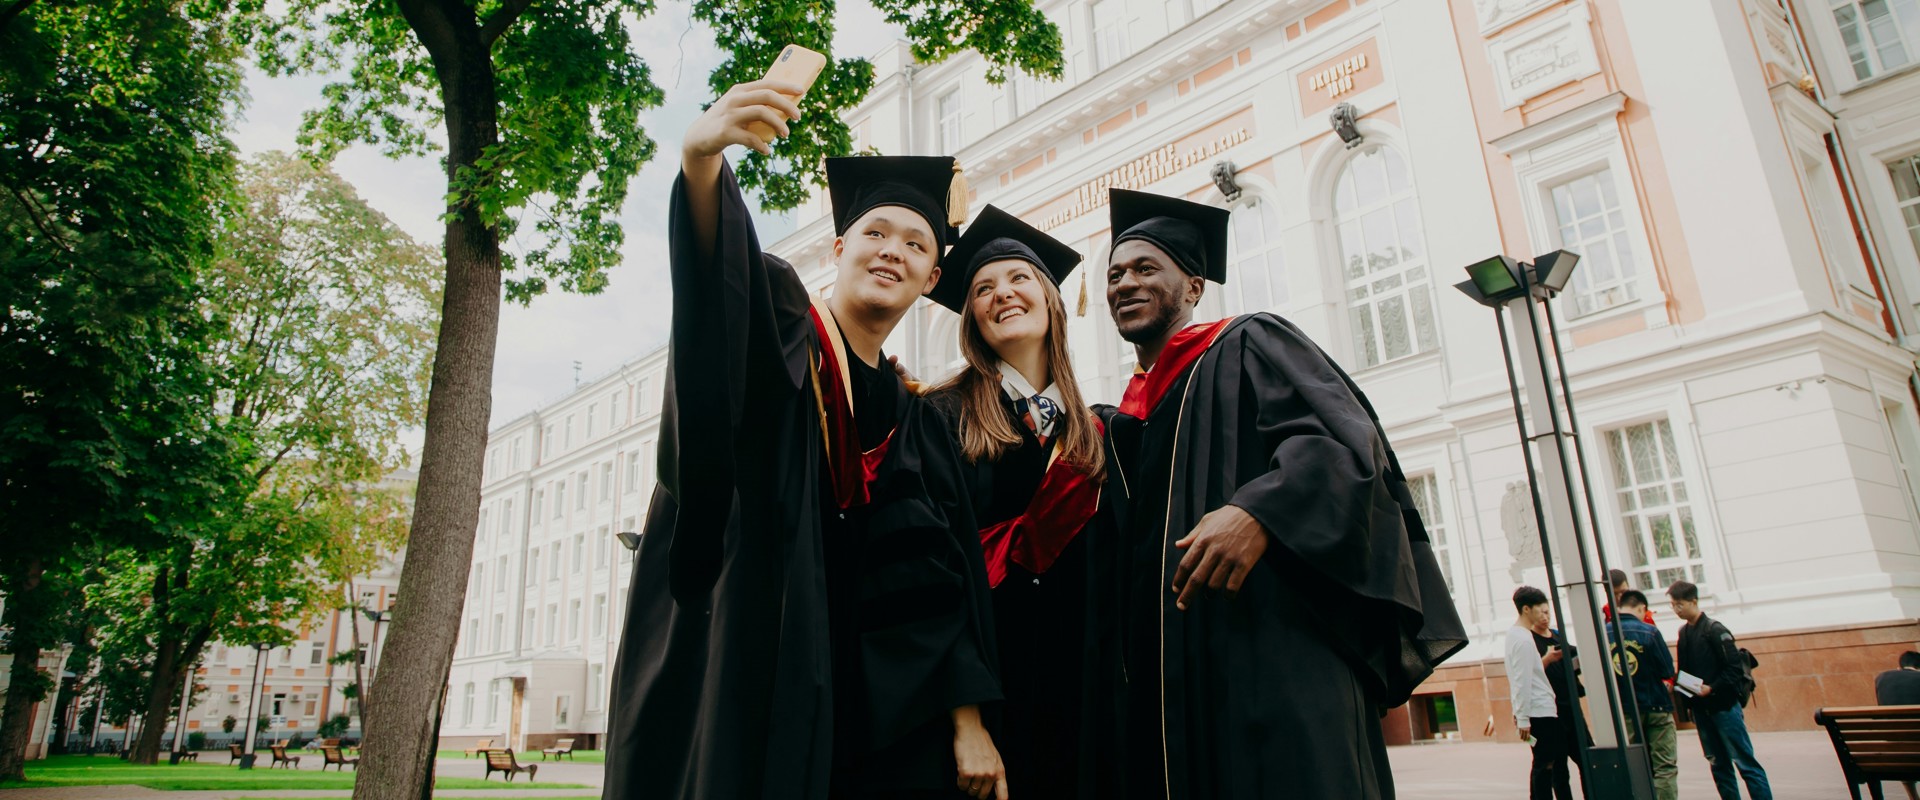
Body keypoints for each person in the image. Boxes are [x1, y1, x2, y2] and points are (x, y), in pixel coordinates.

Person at [603, 79, 1007, 800]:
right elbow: (714, 294)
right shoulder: (782, 322)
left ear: (932, 275)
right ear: (841, 244)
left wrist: (966, 720)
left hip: (859, 700)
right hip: (745, 649)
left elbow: (935, 583)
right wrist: (701, 166)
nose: (893, 251)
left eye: (916, 243)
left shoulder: (915, 420)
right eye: (876, 233)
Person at [1093, 188, 1466, 799]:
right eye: (1114, 274)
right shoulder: (1130, 420)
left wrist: (1258, 510)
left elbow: (1342, 445)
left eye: (1144, 268)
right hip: (1181, 684)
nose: (1125, 283)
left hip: (1277, 656)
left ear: (1192, 287)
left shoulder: (1247, 342)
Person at [925, 205, 1107, 799]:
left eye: (1019, 278)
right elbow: (926, 577)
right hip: (986, 709)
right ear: (971, 317)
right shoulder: (941, 417)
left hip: (1083, 705)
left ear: (1052, 299)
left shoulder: (1097, 436)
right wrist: (966, 719)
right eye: (982, 288)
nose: (1002, 293)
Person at [1671, 579, 1772, 800]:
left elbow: (1734, 669)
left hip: (1725, 707)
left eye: (1680, 604)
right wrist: (1687, 695)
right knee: (1718, 765)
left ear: (1693, 601)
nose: (1676, 609)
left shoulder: (1715, 630)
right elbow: (1683, 672)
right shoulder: (1684, 633)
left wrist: (1712, 688)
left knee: (1745, 762)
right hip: (1701, 711)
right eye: (1673, 605)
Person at [1608, 589, 1678, 800]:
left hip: (1625, 712)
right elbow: (1667, 671)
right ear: (1640, 607)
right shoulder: (1650, 632)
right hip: (1656, 706)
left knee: (1631, 766)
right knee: (1664, 766)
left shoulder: (1602, 632)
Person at [1507, 586, 1574, 800]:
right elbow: (1522, 680)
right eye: (1540, 610)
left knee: (1544, 764)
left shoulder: (1515, 636)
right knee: (1545, 765)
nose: (1543, 615)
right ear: (1526, 609)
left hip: (1536, 710)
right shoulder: (1524, 640)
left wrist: (1519, 712)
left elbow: (1518, 679)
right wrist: (1523, 716)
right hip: (1540, 710)